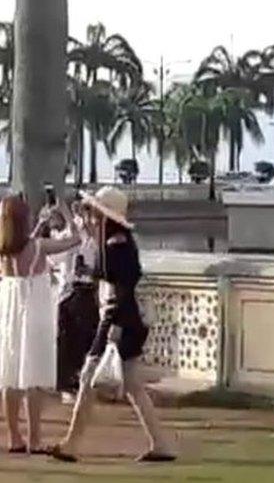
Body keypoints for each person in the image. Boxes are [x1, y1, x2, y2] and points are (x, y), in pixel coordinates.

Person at [52, 186, 176, 463]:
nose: (92, 216)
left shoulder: (115, 245)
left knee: (88, 378)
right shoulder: (114, 242)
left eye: (95, 211)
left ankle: (72, 442)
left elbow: (122, 287)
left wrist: (112, 328)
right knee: (132, 385)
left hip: (117, 319)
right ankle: (161, 443)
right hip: (121, 318)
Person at [0, 194, 80, 454]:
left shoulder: (4, 248)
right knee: (33, 375)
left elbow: (21, 244)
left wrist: (38, 226)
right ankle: (34, 439)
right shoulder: (39, 247)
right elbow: (75, 240)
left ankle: (14, 437)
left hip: (10, 310)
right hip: (34, 310)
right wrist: (67, 213)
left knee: (11, 375)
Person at [48, 201, 99, 404]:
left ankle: (84, 381)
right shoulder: (72, 237)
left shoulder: (97, 240)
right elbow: (55, 256)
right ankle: (67, 385)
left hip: (88, 292)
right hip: (70, 293)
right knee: (66, 341)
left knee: (87, 338)